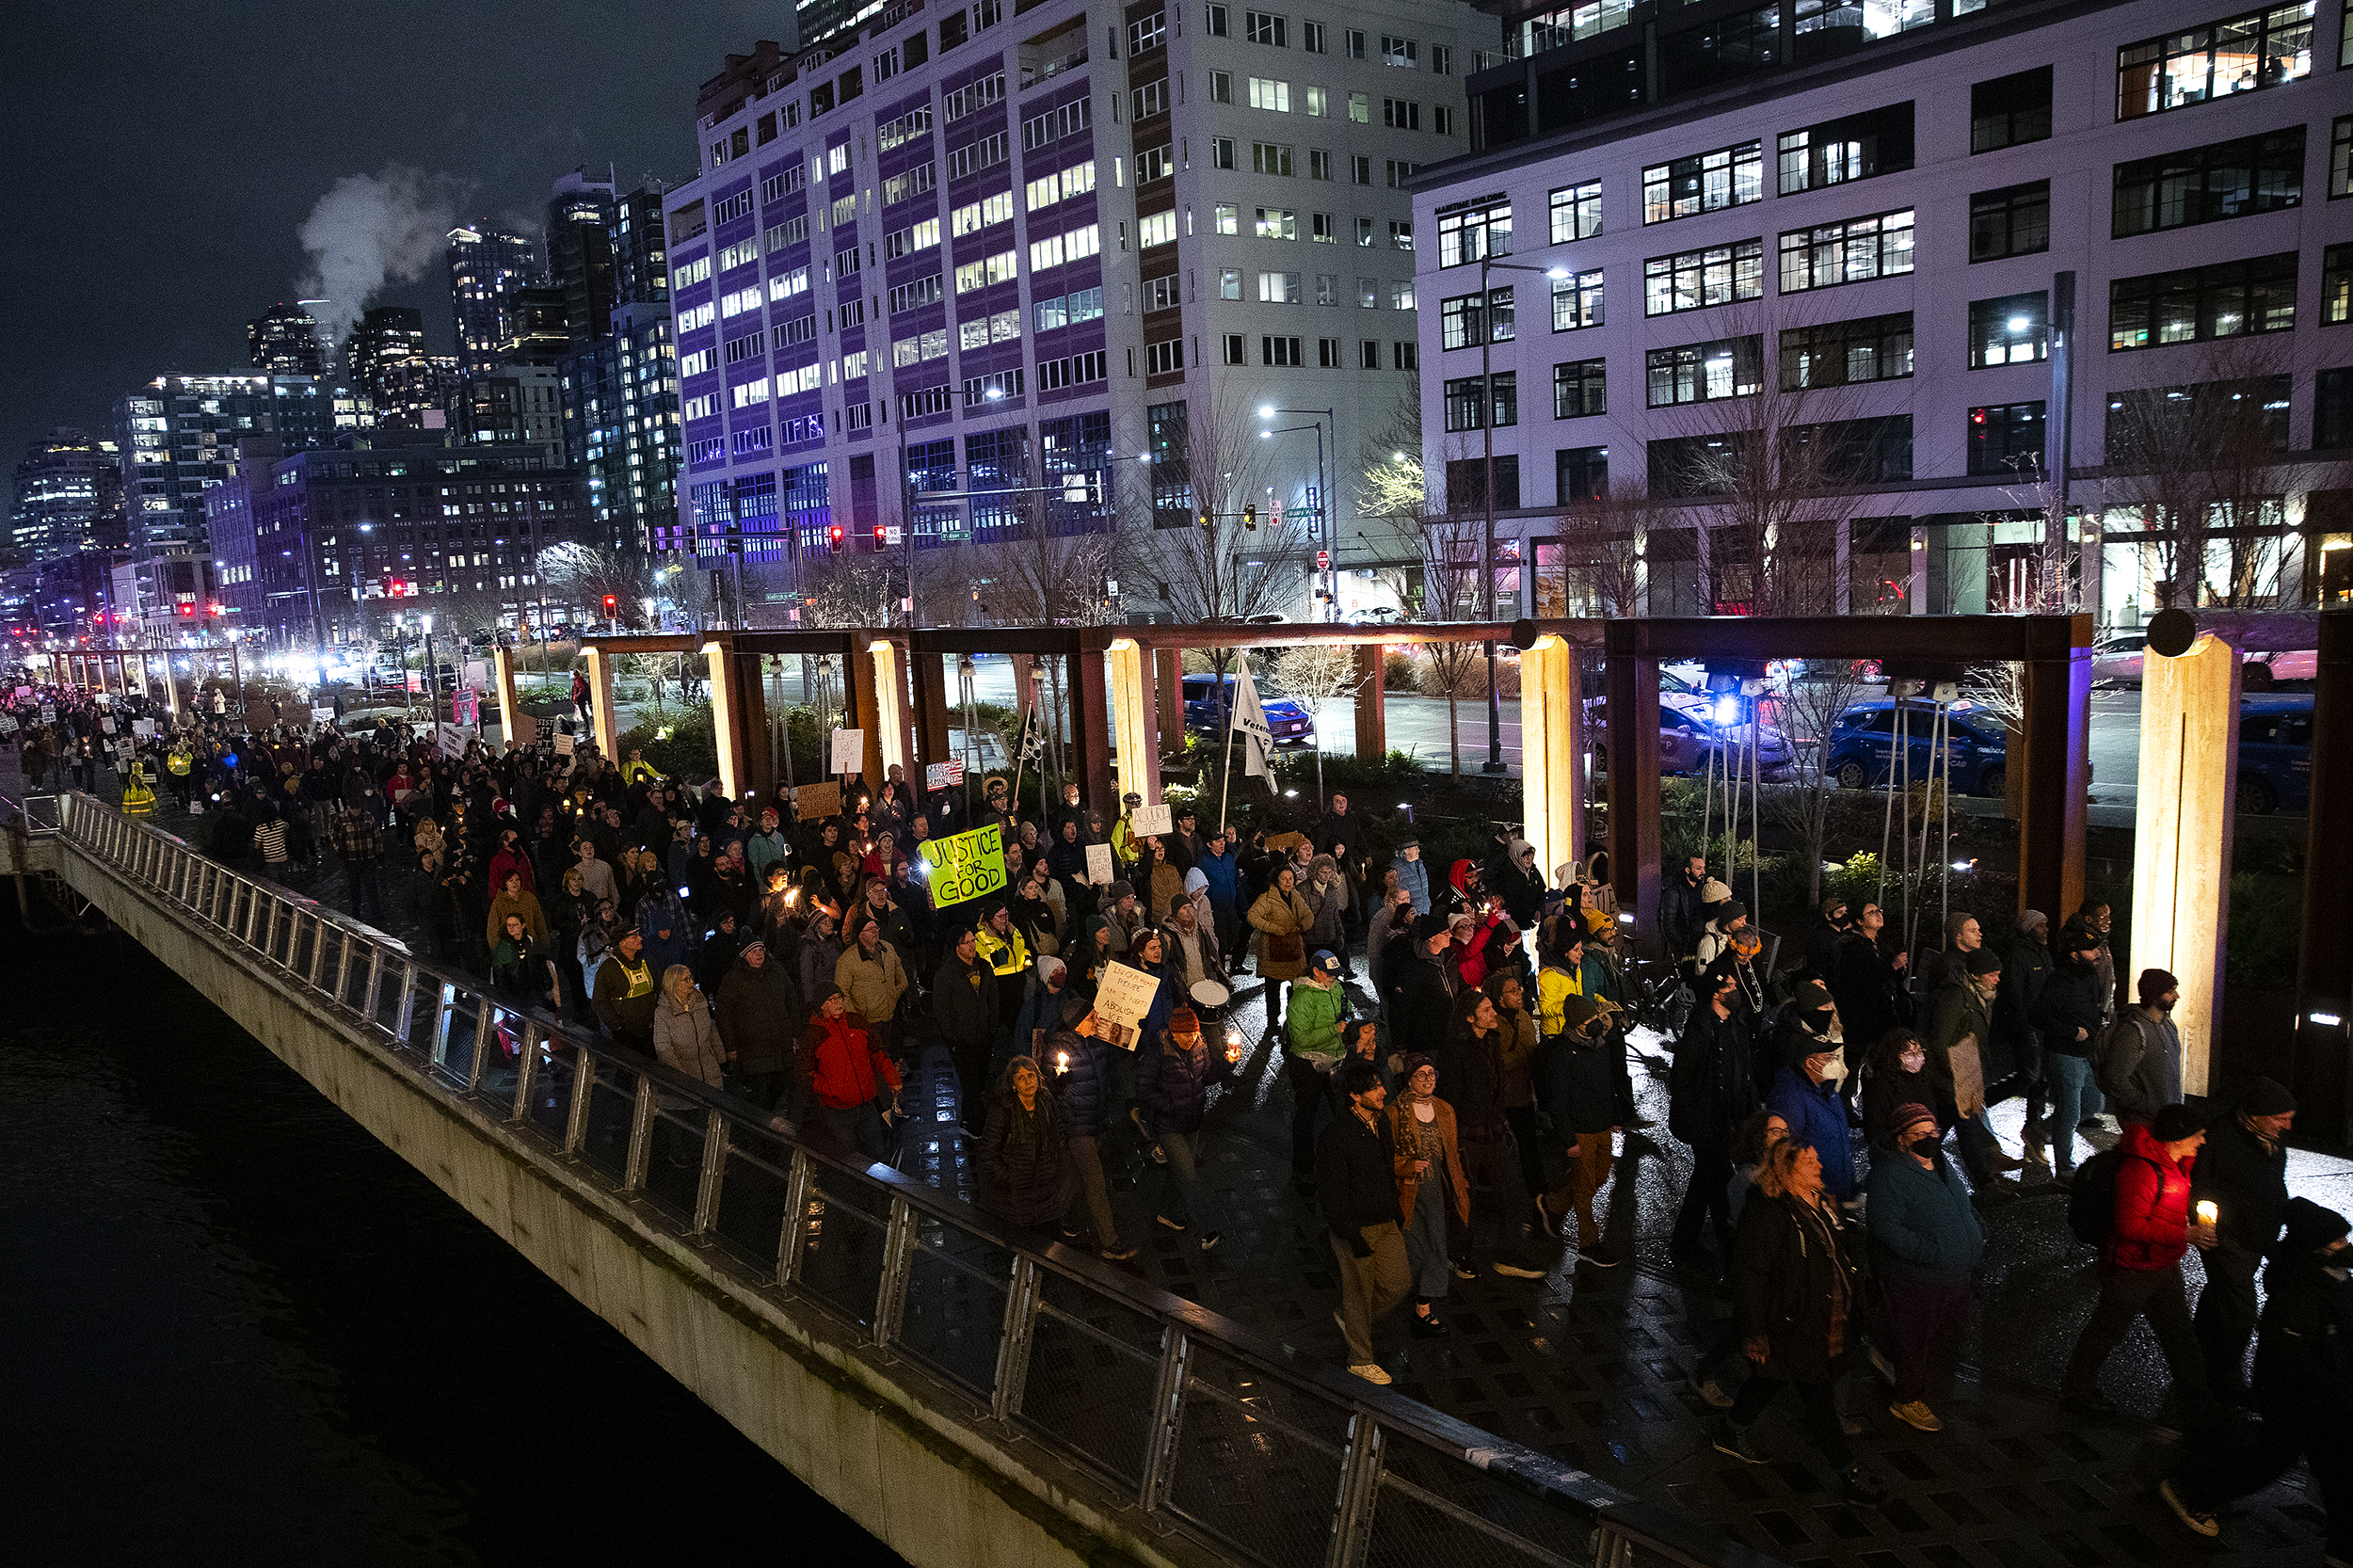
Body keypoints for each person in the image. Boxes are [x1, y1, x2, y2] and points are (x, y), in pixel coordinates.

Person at [2156, 1198, 2353, 1550]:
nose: (2345, 1247)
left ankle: (2342, 1548)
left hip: (2328, 1396)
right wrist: (2332, 1389)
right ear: (2316, 1249)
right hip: (2299, 1397)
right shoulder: (2299, 1296)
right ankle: (2192, 1492)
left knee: (2337, 1468)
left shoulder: (2334, 1280)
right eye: (2338, 1241)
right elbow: (2289, 1361)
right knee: (2269, 1460)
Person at [1715, 1140, 1887, 1507]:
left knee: (1771, 1379)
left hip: (1823, 1320)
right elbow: (1750, 1276)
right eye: (1809, 1160)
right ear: (1787, 1170)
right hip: (1793, 1324)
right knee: (1819, 1401)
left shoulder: (1825, 1203)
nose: (1819, 1163)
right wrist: (1754, 1331)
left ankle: (1731, 1430)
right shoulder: (1767, 1214)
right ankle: (1850, 1475)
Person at [2061, 1103, 2220, 1426]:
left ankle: (2199, 1400)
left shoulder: (2177, 1163)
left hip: (2163, 1264)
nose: (2202, 1141)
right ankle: (2077, 1389)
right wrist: (2185, 1233)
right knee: (2107, 1331)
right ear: (2178, 1138)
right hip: (2131, 1270)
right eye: (2198, 1135)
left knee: (2179, 1333)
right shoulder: (2142, 1170)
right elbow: (2130, 1226)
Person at [1865, 1102, 1985, 1432]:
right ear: (1902, 1139)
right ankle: (1906, 1400)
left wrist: (1978, 1232)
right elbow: (1885, 1227)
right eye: (1919, 1134)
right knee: (1915, 1338)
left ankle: (1891, 1361)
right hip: (1921, 1278)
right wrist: (1930, 1252)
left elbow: (1962, 1204)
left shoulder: (1942, 1164)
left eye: (1932, 1132)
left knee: (1942, 1336)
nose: (1929, 1139)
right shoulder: (1891, 1175)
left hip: (1956, 1275)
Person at [2190, 1077, 2296, 1407]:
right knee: (2241, 1310)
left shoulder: (2270, 1141)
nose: (2287, 1125)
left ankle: (2197, 1360)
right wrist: (2207, 1228)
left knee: (2218, 1299)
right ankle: (2224, 1377)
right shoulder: (2220, 1137)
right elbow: (2200, 1186)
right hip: (2228, 1238)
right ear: (2259, 1114)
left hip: (2256, 1237)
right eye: (2281, 1118)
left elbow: (2272, 1184)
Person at [1438, 987, 1545, 1280]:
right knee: (1464, 1196)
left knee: (1512, 1192)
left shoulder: (1492, 1041)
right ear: (1470, 1018)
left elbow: (1497, 1085)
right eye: (1486, 1010)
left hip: (1495, 1130)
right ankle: (1458, 1253)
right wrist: (1461, 1132)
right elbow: (1450, 1097)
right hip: (1469, 1135)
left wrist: (1500, 1120)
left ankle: (1509, 1253)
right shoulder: (1456, 1050)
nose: (1493, 1013)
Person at [1320, 1059, 1410, 1384]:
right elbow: (1333, 1190)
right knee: (1358, 1291)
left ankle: (1350, 1318)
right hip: (1356, 1227)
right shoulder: (1337, 1136)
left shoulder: (1381, 1122)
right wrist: (1350, 1233)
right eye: (1373, 1087)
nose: (1383, 1091)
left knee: (1398, 1283)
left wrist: (1396, 1211)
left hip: (1386, 1220)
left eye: (1380, 1084)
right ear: (1355, 1097)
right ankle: (1360, 1359)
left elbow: (1387, 1169)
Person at [1671, 959, 1760, 1265]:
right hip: (1708, 1125)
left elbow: (1743, 1072)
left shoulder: (1735, 1025)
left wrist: (1750, 1113)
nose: (1736, 990)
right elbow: (1682, 1081)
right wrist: (1696, 1120)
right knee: (1717, 1177)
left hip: (1729, 1121)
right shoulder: (1700, 1031)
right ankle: (1721, 1240)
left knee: (1708, 1179)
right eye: (1730, 986)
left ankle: (1693, 1238)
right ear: (1715, 993)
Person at [1135, 1007, 1241, 1251]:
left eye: (1194, 1034)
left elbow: (1206, 1077)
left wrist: (1227, 1063)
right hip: (1168, 1125)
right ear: (1173, 1032)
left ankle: (1167, 1212)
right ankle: (1208, 1230)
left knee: (1179, 1171)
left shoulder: (1199, 1047)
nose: (1190, 1039)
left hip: (1192, 1122)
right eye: (1185, 1035)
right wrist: (1169, 1105)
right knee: (1189, 1176)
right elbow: (1143, 1089)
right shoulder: (1157, 1054)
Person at [1536, 993, 1625, 1269]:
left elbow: (1608, 1085)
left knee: (1598, 1178)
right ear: (1577, 1024)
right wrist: (1568, 1139)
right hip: (1581, 1131)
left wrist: (1614, 1116)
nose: (1596, 1022)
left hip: (1601, 1127)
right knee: (1586, 1189)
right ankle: (1589, 1243)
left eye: (1595, 1017)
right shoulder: (1564, 1054)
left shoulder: (1600, 1047)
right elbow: (1557, 1100)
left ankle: (1553, 1204)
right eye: (1590, 1019)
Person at [1924, 946, 2022, 1189]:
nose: (1997, 979)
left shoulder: (1977, 995)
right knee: (1966, 1129)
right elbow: (1939, 1040)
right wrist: (1955, 1075)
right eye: (1993, 974)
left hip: (1962, 1074)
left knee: (1946, 1128)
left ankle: (1927, 1167)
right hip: (1954, 1076)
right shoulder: (1957, 997)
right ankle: (1984, 1182)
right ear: (1977, 974)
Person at [1388, 1052, 1471, 1336]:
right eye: (1421, 1075)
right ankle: (1387, 1300)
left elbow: (1452, 1153)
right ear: (1409, 1080)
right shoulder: (1395, 1112)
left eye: (1431, 1073)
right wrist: (1408, 1165)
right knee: (1411, 1247)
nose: (1427, 1080)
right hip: (1408, 1192)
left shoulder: (1445, 1109)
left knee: (1435, 1244)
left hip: (1436, 1191)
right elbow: (1385, 1157)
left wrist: (1461, 1184)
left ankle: (1423, 1307)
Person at [1053, 998, 1138, 1261]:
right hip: (1077, 1126)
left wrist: (1133, 1032)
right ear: (1078, 1024)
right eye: (1091, 1017)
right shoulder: (1058, 1050)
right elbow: (1051, 1087)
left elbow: (1119, 1055)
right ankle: (1109, 1243)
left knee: (1074, 1176)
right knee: (1096, 1183)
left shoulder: (1097, 1042)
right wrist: (1059, 1077)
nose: (1097, 1019)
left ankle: (1058, 1218)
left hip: (1097, 1120)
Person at [2031, 920, 2110, 1178]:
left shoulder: (2088, 976)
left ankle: (2040, 1131)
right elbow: (2038, 1016)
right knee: (2070, 1113)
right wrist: (2072, 1031)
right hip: (2065, 1053)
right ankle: (2065, 1169)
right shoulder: (2060, 981)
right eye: (2091, 950)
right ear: (2075, 955)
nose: (2097, 954)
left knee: (2093, 1103)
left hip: (2086, 1053)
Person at [797, 984, 901, 1162]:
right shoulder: (813, 1034)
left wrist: (890, 1074)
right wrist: (831, 1088)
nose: (838, 1003)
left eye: (840, 998)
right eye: (832, 999)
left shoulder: (857, 1021)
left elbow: (877, 1051)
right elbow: (804, 1072)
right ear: (822, 1005)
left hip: (867, 1106)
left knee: (878, 1155)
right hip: (838, 1113)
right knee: (849, 1160)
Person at [976, 1057, 1071, 1231]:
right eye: (1021, 1078)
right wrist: (1010, 1180)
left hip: (1047, 1196)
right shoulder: (1003, 1111)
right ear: (1013, 1085)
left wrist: (1055, 1169)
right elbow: (988, 1155)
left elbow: (1058, 1138)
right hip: (1014, 1202)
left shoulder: (1046, 1101)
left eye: (1030, 1075)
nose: (1028, 1081)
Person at [1283, 950, 1351, 1191]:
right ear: (1316, 972)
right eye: (1330, 975)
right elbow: (1300, 1040)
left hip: (1335, 1061)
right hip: (1307, 1066)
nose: (1334, 979)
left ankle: (1345, 1163)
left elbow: (1346, 1012)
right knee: (1306, 1118)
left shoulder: (1337, 989)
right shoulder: (1301, 1000)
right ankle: (1303, 1168)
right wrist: (1335, 1030)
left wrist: (1348, 1025)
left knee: (1344, 1112)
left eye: (1336, 974)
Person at [1768, 1027, 1858, 1204]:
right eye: (1828, 1058)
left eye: (1834, 1057)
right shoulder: (1791, 1096)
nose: (1834, 1062)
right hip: (1814, 1195)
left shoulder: (1829, 1090)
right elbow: (1786, 1150)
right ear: (1810, 1063)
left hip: (1836, 1194)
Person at [716, 938, 797, 1112]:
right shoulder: (734, 979)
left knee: (780, 1088)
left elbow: (791, 1000)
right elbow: (723, 1014)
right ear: (744, 956)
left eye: (761, 949)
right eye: (753, 951)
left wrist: (794, 1032)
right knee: (760, 1098)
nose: (759, 954)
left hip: (779, 1046)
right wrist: (730, 1046)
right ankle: (758, 1134)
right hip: (753, 1051)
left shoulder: (776, 971)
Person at [935, 924, 1001, 1132]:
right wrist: (952, 1038)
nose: (973, 945)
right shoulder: (946, 975)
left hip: (983, 1036)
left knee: (979, 1080)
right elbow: (941, 1010)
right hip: (962, 1041)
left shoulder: (984, 967)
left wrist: (991, 1027)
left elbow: (993, 998)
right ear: (957, 948)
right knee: (970, 1084)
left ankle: (966, 1119)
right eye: (968, 942)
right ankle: (977, 1127)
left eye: (973, 940)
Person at [2099, 968, 2183, 1127]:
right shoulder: (2133, 1031)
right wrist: (2143, 1106)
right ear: (2155, 994)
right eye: (2170, 992)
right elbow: (2115, 1078)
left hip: (2166, 1119)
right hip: (2142, 1123)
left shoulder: (2168, 1025)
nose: (2177, 996)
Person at [1247, 863, 1315, 1032]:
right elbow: (1252, 916)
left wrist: (1301, 927)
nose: (1287, 882)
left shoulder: (1296, 896)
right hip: (1273, 952)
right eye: (1283, 879)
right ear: (1277, 880)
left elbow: (1308, 916)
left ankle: (1294, 1018)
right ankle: (1272, 1023)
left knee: (1297, 987)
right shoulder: (1267, 898)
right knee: (1272, 991)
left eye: (1290, 879)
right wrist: (1273, 928)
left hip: (1293, 950)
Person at [835, 914, 910, 1062]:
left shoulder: (887, 948)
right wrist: (857, 1018)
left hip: (889, 1015)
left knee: (887, 1054)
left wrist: (897, 991)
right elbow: (842, 992)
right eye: (869, 929)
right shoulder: (847, 960)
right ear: (860, 935)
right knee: (871, 1059)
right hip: (868, 1022)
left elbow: (899, 972)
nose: (875, 931)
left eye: (876, 927)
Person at [1833, 901, 1910, 1047]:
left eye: (1878, 911)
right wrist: (1893, 966)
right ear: (1860, 921)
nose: (1878, 914)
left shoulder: (1882, 945)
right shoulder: (1851, 946)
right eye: (1871, 912)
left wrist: (1901, 968)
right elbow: (1864, 980)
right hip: (1864, 1013)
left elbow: (1894, 978)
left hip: (1888, 1009)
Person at [1860, 1028, 1937, 1153]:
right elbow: (1874, 1131)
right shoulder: (1878, 1087)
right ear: (1894, 1056)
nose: (1917, 1057)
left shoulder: (1922, 1079)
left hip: (1924, 1150)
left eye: (1919, 1052)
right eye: (1910, 1054)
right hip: (1897, 1152)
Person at [652, 964, 727, 1089]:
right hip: (684, 1070)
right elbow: (663, 1047)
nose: (691, 982)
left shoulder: (699, 1002)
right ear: (673, 983)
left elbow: (711, 1029)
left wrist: (721, 1058)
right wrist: (680, 1074)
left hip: (708, 1067)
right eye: (685, 979)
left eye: (691, 977)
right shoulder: (664, 1012)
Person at [591, 926, 658, 1052]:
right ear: (622, 942)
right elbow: (599, 1001)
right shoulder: (609, 968)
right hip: (626, 1036)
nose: (640, 938)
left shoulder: (647, 961)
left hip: (651, 1030)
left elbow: (659, 989)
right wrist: (617, 1026)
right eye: (633, 936)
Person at [491, 911, 563, 1011]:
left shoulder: (529, 942)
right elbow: (499, 973)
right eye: (509, 925)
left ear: (523, 925)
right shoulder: (504, 946)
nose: (511, 928)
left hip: (534, 990)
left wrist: (547, 987)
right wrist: (504, 997)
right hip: (515, 992)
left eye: (515, 925)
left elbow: (540, 963)